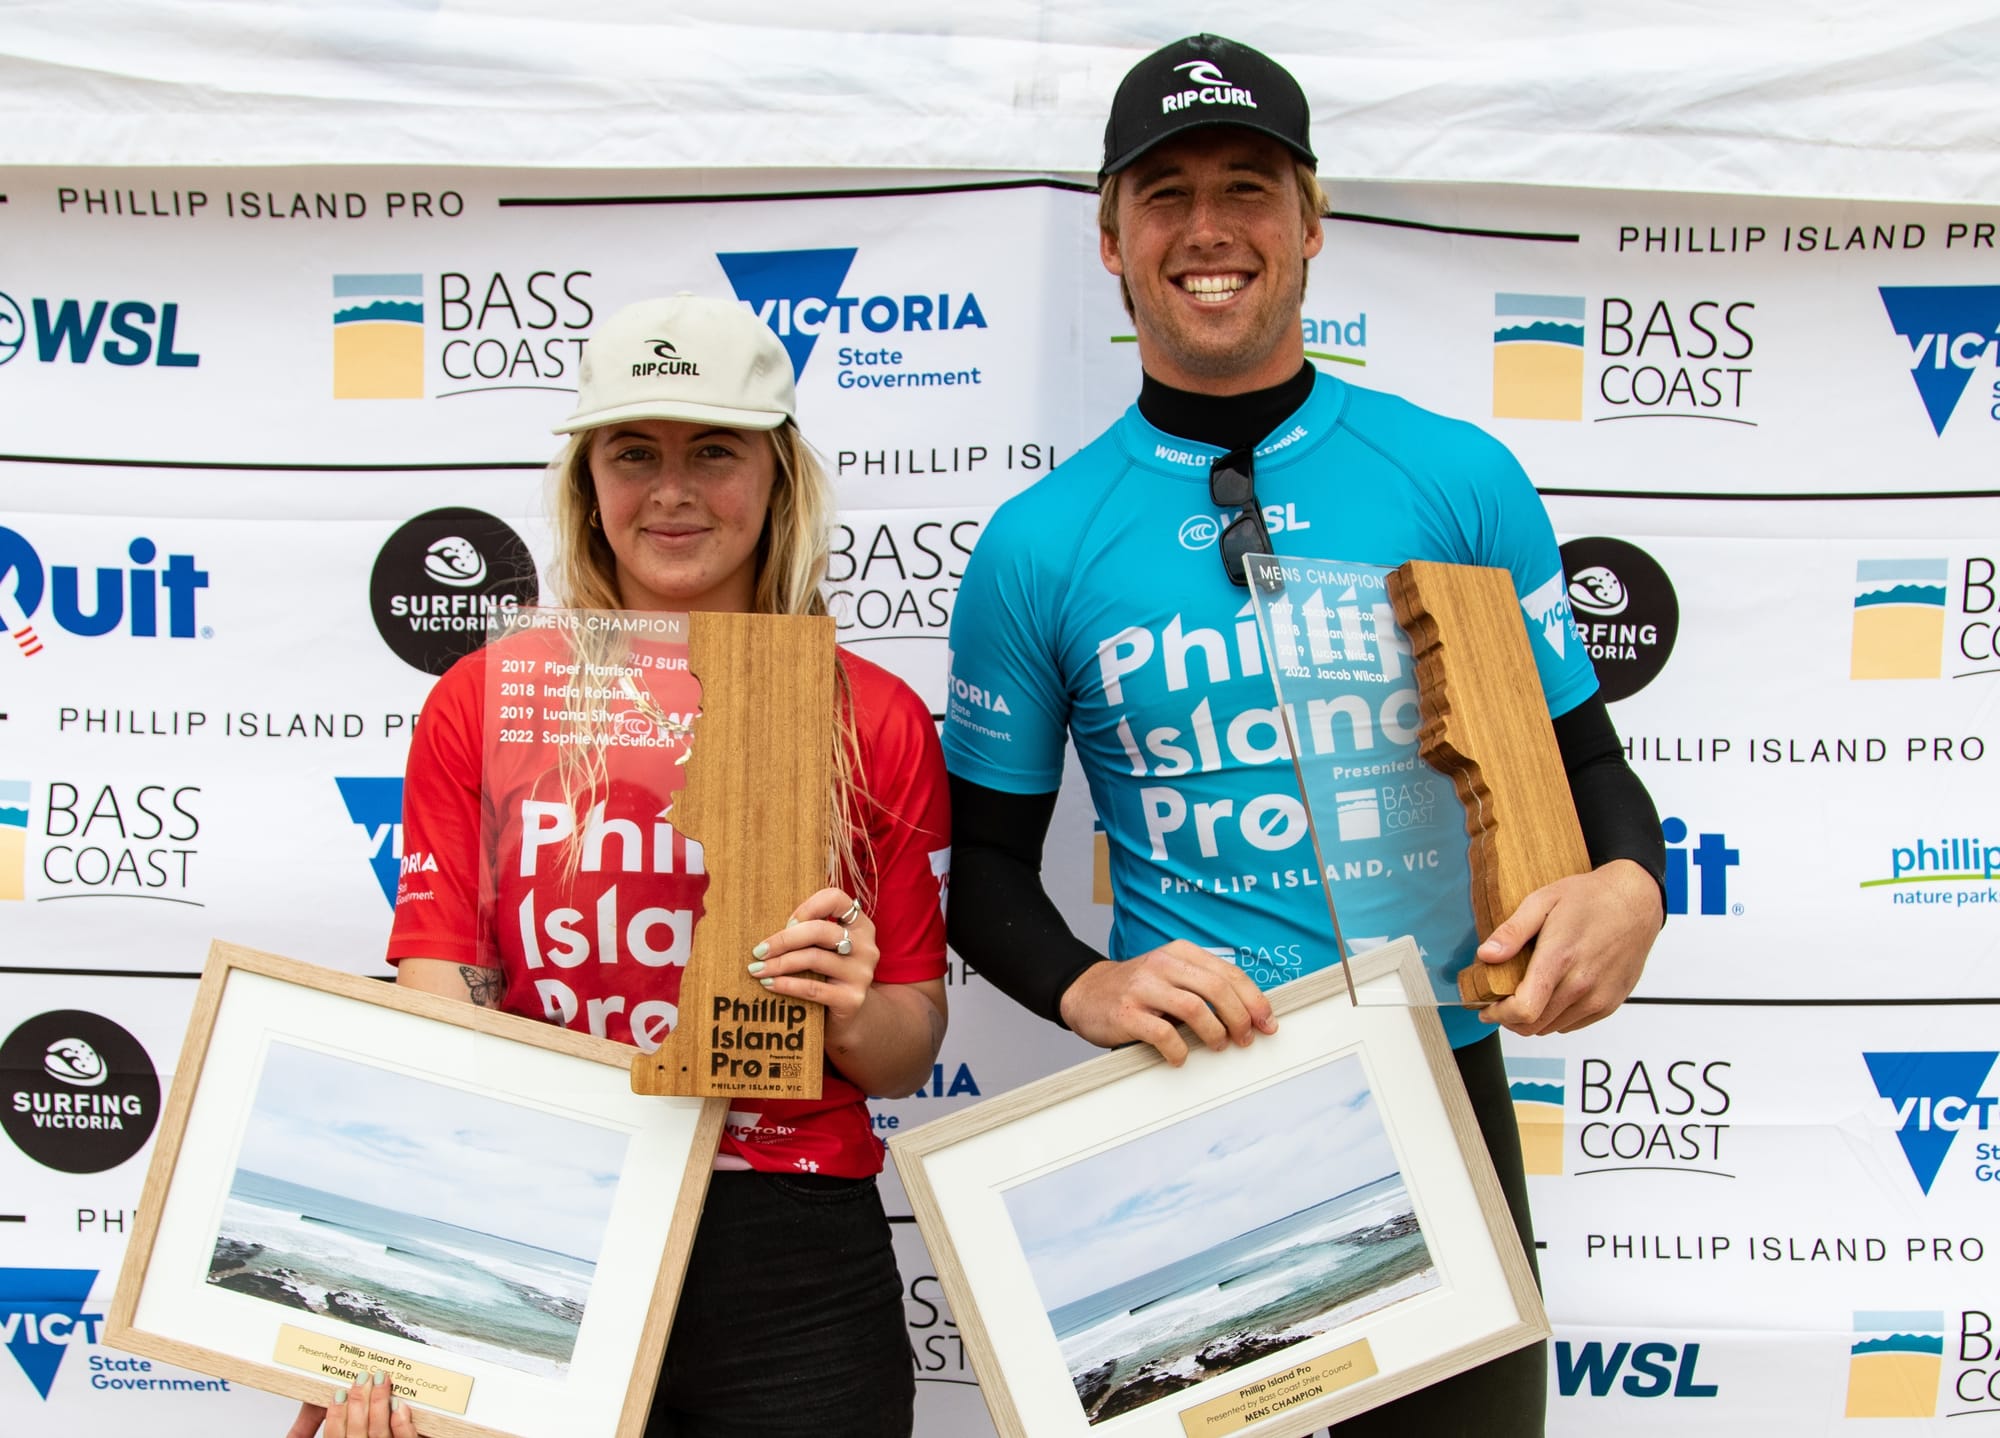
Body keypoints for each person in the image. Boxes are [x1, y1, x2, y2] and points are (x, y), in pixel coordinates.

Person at [941, 34, 1664, 1436]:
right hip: (1197, 1095)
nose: (1208, 230)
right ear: (1110, 239)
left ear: (1312, 219)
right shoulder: (1040, 543)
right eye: (1166, 195)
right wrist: (1081, 985)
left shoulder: (1456, 476)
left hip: (1441, 1071)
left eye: (1248, 187)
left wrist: (1631, 884)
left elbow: (1587, 765)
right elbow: (980, 865)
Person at [289, 294, 949, 1438]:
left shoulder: (870, 715)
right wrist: (387, 1321)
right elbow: (440, 1003)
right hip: (546, 1209)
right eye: (633, 453)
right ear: (588, 483)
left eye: (713, 452)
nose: (673, 489)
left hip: (785, 1244)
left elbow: (906, 1047)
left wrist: (844, 1003)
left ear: (777, 475)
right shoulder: (485, 699)